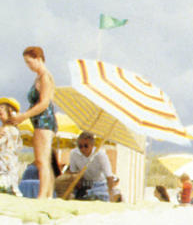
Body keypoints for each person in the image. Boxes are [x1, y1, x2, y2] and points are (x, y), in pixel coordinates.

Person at [13, 47, 57, 199]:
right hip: (41, 121)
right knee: (44, 160)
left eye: (30, 62)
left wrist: (24, 116)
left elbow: (44, 103)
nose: (29, 66)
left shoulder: (45, 76)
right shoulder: (40, 76)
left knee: (41, 160)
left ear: (38, 59)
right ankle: (48, 194)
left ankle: (42, 195)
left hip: (44, 121)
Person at [66, 132, 118, 201]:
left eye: (86, 146)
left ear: (92, 145)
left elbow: (109, 176)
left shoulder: (100, 155)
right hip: (83, 185)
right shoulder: (74, 153)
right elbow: (73, 173)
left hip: (100, 185)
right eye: (80, 146)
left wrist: (111, 193)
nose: (83, 149)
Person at [0, 97, 23, 195]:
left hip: (5, 166)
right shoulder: (12, 129)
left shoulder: (8, 130)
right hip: (8, 166)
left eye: (2, 109)